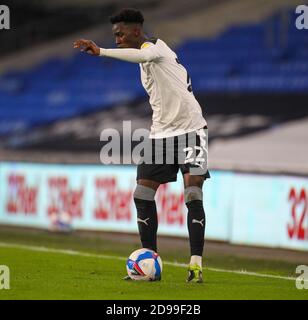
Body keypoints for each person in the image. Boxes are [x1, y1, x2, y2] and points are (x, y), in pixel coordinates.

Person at [73, 8, 210, 283]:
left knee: (193, 193)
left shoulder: (157, 47)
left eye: (120, 34)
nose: (118, 39)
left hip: (193, 131)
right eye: (115, 35)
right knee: (142, 195)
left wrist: (102, 51)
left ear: (136, 31)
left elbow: (144, 53)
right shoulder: (143, 63)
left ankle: (195, 264)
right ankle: (149, 263)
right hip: (160, 134)